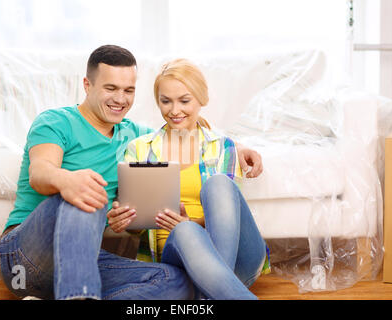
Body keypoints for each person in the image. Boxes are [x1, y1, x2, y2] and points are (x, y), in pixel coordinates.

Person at [0, 45, 263, 300]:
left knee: (176, 282)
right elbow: (40, 172)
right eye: (110, 88)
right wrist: (69, 181)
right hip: (25, 257)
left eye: (128, 90)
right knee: (87, 193)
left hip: (80, 260)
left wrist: (237, 146)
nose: (120, 99)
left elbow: (182, 129)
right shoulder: (56, 121)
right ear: (87, 85)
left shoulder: (136, 138)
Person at [108, 58, 270, 300]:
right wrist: (126, 221)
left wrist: (191, 221)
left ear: (201, 100)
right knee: (184, 233)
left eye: (184, 101)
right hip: (176, 262)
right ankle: (216, 294)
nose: (175, 110)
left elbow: (227, 219)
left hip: (237, 262)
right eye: (166, 101)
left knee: (218, 185)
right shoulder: (139, 149)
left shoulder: (223, 147)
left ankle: (212, 289)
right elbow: (136, 227)